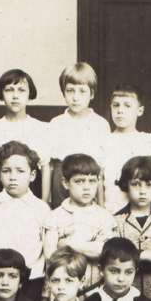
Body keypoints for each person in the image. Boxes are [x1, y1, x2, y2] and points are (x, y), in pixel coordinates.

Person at [0, 141, 51, 301]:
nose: (12, 177)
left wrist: (46, 291)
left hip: (31, 281)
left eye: (20, 171)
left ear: (32, 175)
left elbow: (47, 253)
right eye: (6, 171)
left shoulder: (41, 208)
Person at [43, 153, 116, 291]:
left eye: (92, 181)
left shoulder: (105, 217)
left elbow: (106, 251)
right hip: (62, 288)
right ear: (65, 183)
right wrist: (89, 247)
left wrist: (68, 244)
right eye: (79, 181)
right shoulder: (54, 217)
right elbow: (51, 256)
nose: (87, 187)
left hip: (96, 288)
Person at [48, 62, 111, 206]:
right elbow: (50, 167)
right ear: (63, 92)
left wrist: (101, 203)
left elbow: (102, 169)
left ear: (92, 94)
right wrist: (48, 201)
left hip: (89, 181)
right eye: (70, 91)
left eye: (82, 91)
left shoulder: (100, 124)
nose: (75, 97)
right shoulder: (56, 123)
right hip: (61, 183)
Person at [0, 69, 51, 202]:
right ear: (1, 94)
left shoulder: (41, 128)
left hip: (33, 197)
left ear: (29, 94)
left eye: (21, 90)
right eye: (9, 90)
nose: (15, 96)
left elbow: (45, 169)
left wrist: (45, 205)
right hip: (1, 197)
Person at [112, 155, 151, 298]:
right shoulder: (117, 220)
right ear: (126, 185)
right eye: (136, 184)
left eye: (149, 185)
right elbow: (117, 256)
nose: (142, 191)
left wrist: (134, 254)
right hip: (126, 291)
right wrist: (148, 255)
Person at [102, 85, 151, 213]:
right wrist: (101, 211)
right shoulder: (104, 140)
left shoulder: (148, 141)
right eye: (116, 105)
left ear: (140, 111)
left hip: (142, 211)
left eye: (127, 106)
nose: (120, 110)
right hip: (111, 209)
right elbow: (99, 179)